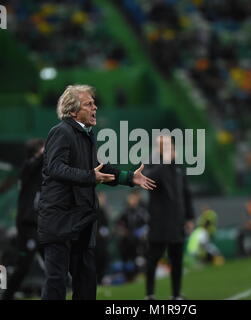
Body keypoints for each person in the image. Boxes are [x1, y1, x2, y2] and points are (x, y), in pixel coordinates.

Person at [38, 84, 156, 300]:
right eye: (89, 104)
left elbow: (100, 168)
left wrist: (129, 177)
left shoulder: (86, 135)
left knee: (86, 283)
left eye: (94, 103)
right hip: (60, 220)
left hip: (82, 219)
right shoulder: (61, 131)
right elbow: (54, 168)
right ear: (73, 111)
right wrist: (90, 176)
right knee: (56, 283)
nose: (95, 107)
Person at [143, 136, 194, 300]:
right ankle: (150, 294)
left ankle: (176, 294)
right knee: (153, 259)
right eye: (162, 145)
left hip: (177, 222)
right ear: (157, 148)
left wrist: (190, 217)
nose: (167, 148)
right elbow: (150, 180)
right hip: (159, 223)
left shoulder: (178, 167)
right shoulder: (152, 164)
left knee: (177, 260)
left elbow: (186, 194)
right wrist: (164, 162)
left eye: (168, 145)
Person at [2, 138, 44, 300]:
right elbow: (38, 162)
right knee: (24, 265)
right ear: (36, 151)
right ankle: (8, 295)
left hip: (39, 224)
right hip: (28, 225)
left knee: (54, 260)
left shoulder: (40, 169)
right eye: (43, 149)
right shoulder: (28, 166)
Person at [116, 190, 149, 281]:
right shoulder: (125, 213)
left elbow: (147, 224)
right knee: (128, 260)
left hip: (140, 241)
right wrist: (123, 231)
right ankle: (129, 277)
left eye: (134, 198)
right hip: (128, 241)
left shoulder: (142, 211)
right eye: (131, 198)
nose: (132, 200)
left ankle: (141, 275)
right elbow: (119, 225)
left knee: (140, 258)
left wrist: (143, 232)